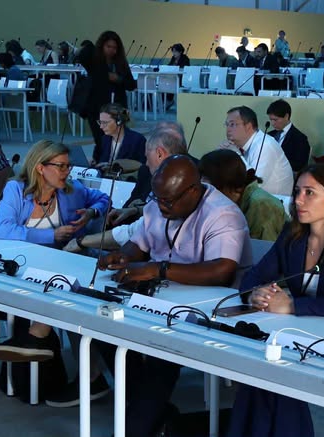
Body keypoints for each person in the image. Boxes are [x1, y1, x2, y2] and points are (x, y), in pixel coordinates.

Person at [96, 155, 251, 437]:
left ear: (193, 190)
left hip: (210, 307)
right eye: (158, 199)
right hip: (162, 297)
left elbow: (222, 270)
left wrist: (158, 269)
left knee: (162, 346)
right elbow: (140, 243)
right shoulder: (161, 203)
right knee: (103, 328)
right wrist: (123, 257)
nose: (161, 206)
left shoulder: (222, 214)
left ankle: (137, 426)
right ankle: (155, 414)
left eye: (168, 201)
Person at [227, 163, 324, 437]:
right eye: (297, 192)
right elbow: (255, 275)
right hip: (302, 335)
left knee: (276, 377)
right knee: (258, 373)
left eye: (309, 193)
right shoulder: (292, 235)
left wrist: (293, 306)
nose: (298, 200)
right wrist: (254, 294)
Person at [0, 140, 108, 368]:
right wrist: (51, 235)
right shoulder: (16, 189)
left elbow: (103, 198)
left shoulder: (73, 190)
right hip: (21, 269)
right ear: (40, 167)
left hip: (62, 269)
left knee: (62, 294)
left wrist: (92, 212)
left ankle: (35, 341)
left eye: (68, 166)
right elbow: (2, 227)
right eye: (61, 166)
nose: (67, 171)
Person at [64, 124, 189, 253]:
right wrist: (134, 210)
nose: (146, 164)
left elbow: (134, 230)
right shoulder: (161, 178)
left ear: (159, 154)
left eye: (147, 157)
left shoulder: (179, 189)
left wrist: (82, 241)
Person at [199, 149, 287, 241]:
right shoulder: (235, 203)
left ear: (225, 183)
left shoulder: (261, 204)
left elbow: (262, 247)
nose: (205, 194)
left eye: (209, 188)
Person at [81, 30, 137, 163]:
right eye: (108, 46)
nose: (112, 50)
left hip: (117, 109)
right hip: (96, 108)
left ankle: (111, 164)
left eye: (115, 48)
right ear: (102, 46)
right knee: (101, 140)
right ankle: (99, 164)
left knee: (116, 140)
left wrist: (118, 79)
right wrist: (89, 46)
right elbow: (82, 55)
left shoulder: (120, 63)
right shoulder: (94, 62)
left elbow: (131, 84)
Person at [220, 106, 293, 196]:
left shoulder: (265, 145)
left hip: (274, 201)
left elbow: (254, 184)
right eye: (226, 124)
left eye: (232, 124)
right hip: (256, 198)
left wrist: (236, 154)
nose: (228, 129)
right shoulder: (243, 146)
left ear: (248, 126)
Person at [267, 99, 310, 173]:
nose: (272, 123)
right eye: (271, 120)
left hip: (284, 174)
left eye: (275, 120)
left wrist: (277, 162)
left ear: (286, 116)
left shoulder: (299, 138)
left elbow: (299, 165)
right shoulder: (269, 135)